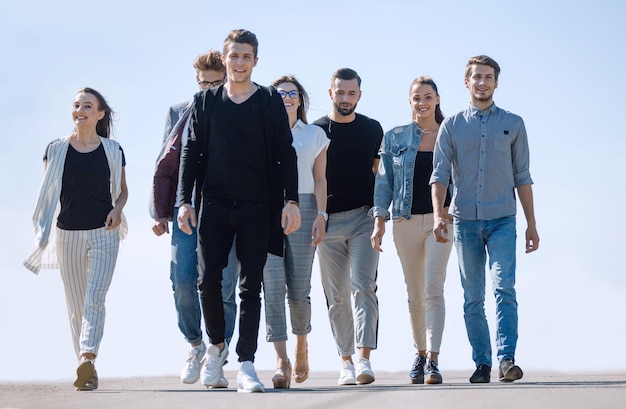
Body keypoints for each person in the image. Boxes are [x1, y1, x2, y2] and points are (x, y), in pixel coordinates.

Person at [177, 29, 300, 393]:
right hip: (213, 203)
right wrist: (185, 200)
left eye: (247, 57)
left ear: (255, 61)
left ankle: (246, 363)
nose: (240, 62)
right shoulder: (206, 102)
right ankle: (216, 348)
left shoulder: (267, 101)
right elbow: (191, 153)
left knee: (250, 287)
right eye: (234, 56)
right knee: (207, 281)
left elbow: (285, 152)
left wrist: (290, 200)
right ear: (225, 58)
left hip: (257, 205)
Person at [430, 55, 539, 384]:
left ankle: (507, 359)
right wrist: (439, 215)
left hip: (504, 219)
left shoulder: (514, 123)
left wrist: (532, 224)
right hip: (465, 222)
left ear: (496, 82)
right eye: (476, 76)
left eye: (488, 76)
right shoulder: (451, 126)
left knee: (504, 287)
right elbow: (439, 176)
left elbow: (523, 176)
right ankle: (482, 362)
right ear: (467, 82)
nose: (482, 82)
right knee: (473, 296)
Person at [24, 88, 128, 391]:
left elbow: (122, 191)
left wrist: (118, 210)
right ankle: (87, 368)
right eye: (76, 105)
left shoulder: (113, 149)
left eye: (87, 105)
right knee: (76, 305)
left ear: (99, 114)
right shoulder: (55, 149)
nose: (79, 109)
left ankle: (87, 355)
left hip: (104, 233)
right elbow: (48, 193)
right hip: (67, 234)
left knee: (95, 297)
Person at [149, 50, 238, 388]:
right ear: (196, 82)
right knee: (183, 280)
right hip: (185, 209)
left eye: (217, 83)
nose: (210, 89)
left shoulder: (239, 111)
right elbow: (164, 161)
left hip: (227, 208)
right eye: (205, 84)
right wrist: (159, 211)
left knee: (224, 286)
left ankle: (218, 352)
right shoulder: (178, 112)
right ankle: (195, 345)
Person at [370, 76, 454, 385]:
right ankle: (419, 354)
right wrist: (379, 220)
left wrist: (451, 208)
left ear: (437, 99)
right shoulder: (394, 137)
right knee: (414, 293)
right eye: (417, 97)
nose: (422, 102)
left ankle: (433, 359)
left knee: (434, 289)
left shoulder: (450, 134)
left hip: (440, 222)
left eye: (428, 97)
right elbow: (383, 183)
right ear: (410, 101)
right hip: (404, 222)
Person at [312, 68, 383, 386]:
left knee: (364, 287)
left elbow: (378, 174)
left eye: (351, 93)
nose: (345, 98)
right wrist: (319, 216)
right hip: (327, 222)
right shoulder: (316, 132)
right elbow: (314, 179)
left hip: (363, 219)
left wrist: (380, 217)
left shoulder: (372, 129)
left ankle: (365, 358)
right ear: (330, 93)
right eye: (340, 92)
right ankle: (346, 362)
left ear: (359, 95)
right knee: (336, 295)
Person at [263, 75, 330, 389]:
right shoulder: (260, 131)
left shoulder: (314, 134)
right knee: (272, 285)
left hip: (304, 207)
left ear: (300, 99)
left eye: (292, 93)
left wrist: (320, 213)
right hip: (267, 210)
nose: (286, 98)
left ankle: (302, 345)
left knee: (299, 288)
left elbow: (320, 179)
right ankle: (281, 360)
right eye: (280, 93)